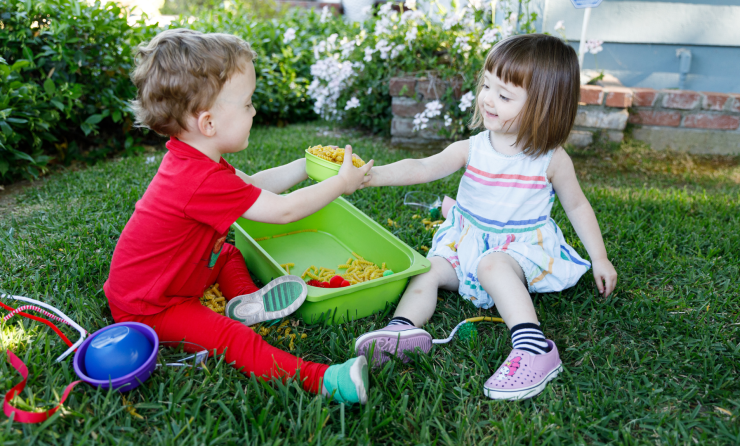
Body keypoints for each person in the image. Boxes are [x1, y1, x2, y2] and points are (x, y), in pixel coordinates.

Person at [104, 29, 373, 405]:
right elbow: (283, 210)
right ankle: (327, 381)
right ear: (209, 123)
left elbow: (255, 186)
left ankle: (248, 303)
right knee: (233, 339)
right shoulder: (198, 180)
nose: (254, 111)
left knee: (229, 254)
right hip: (152, 305)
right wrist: (341, 184)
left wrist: (304, 166)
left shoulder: (194, 161)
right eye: (247, 104)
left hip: (183, 275)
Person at [354, 34, 617, 400]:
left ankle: (534, 349)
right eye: (487, 85)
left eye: (505, 95)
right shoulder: (473, 147)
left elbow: (577, 206)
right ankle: (402, 329)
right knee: (427, 270)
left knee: (493, 266)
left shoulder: (551, 160)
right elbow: (422, 167)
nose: (488, 99)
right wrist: (372, 175)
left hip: (516, 250)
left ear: (545, 106)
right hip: (467, 243)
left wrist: (599, 258)